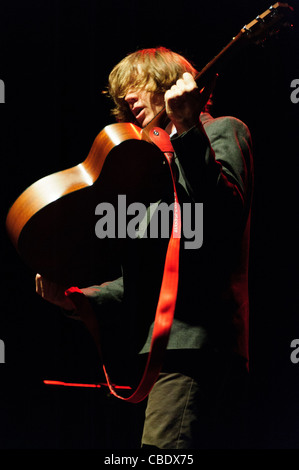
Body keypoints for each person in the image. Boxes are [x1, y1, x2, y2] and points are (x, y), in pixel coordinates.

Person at [35, 47, 254, 449]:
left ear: (169, 82)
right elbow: (143, 278)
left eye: (135, 86)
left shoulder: (221, 130)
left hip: (197, 349)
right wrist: (77, 299)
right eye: (121, 97)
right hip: (154, 358)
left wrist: (188, 130)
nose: (127, 101)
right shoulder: (151, 169)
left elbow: (223, 219)